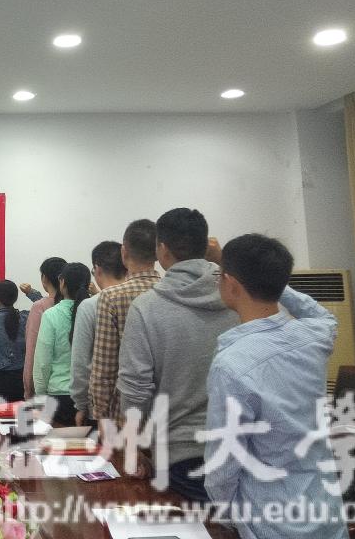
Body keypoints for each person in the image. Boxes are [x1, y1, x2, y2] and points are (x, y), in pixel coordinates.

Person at [203, 234, 345, 539]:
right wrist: (274, 283)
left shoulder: (231, 365)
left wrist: (228, 516)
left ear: (231, 284)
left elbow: (223, 465)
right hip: (325, 509)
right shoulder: (315, 336)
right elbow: (319, 314)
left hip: (271, 523)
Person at [117, 208, 237, 502]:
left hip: (180, 455)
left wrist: (133, 448)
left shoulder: (147, 308)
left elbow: (135, 389)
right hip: (243, 448)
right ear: (206, 245)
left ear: (162, 249)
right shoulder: (238, 297)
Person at [89, 219, 161, 424]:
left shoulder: (111, 297)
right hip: (164, 410)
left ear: (124, 252)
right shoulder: (168, 290)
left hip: (123, 412)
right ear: (158, 252)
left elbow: (105, 366)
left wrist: (101, 413)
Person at [71, 242, 126, 426]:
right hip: (140, 405)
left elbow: (81, 362)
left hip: (102, 408)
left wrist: (81, 405)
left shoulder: (90, 306)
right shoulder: (142, 298)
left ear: (97, 269)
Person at [33, 263, 91, 425]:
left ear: (62, 282)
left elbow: (43, 362)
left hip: (58, 397)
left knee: (59, 441)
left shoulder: (51, 315)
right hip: (90, 396)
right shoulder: (96, 312)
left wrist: (40, 395)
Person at [22, 257, 67, 399]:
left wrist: (28, 389)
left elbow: (32, 350)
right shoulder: (77, 305)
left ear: (44, 278)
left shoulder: (40, 307)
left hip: (49, 388)